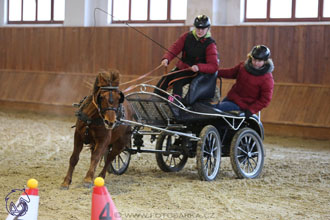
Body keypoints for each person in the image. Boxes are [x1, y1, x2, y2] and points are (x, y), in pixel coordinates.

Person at [155, 15, 219, 100]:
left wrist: (199, 67)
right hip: (182, 68)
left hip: (194, 72)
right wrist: (167, 58)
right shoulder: (187, 36)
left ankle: (176, 102)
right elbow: (175, 48)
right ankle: (156, 98)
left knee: (178, 81)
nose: (200, 31)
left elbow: (214, 66)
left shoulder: (210, 44)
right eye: (197, 28)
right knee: (165, 79)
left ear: (208, 28)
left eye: (203, 29)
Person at [214, 45, 274, 118]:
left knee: (215, 110)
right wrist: (215, 72)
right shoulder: (243, 66)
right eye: (254, 60)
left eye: (259, 61)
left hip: (244, 105)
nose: (256, 63)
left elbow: (265, 100)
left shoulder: (267, 79)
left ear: (265, 61)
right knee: (214, 111)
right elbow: (231, 73)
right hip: (232, 98)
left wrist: (251, 110)